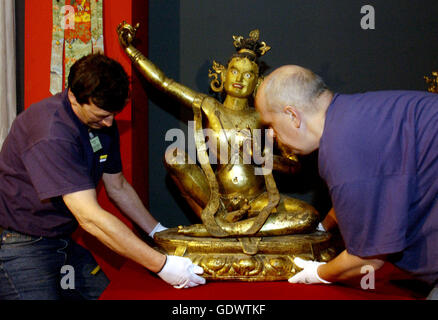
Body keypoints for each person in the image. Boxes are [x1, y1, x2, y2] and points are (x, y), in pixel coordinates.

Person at [0, 54, 205, 300]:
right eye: (101, 115)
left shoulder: (100, 122)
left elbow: (117, 186)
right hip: (21, 243)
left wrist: (159, 234)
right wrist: (162, 265)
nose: (109, 123)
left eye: (113, 114)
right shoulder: (52, 133)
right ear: (74, 97)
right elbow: (90, 218)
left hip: (61, 240)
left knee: (110, 296)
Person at [255, 65, 438, 299]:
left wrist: (318, 273)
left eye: (270, 124)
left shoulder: (341, 149)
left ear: (292, 115)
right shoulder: (350, 116)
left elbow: (368, 260)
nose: (271, 135)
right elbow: (365, 196)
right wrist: (323, 226)